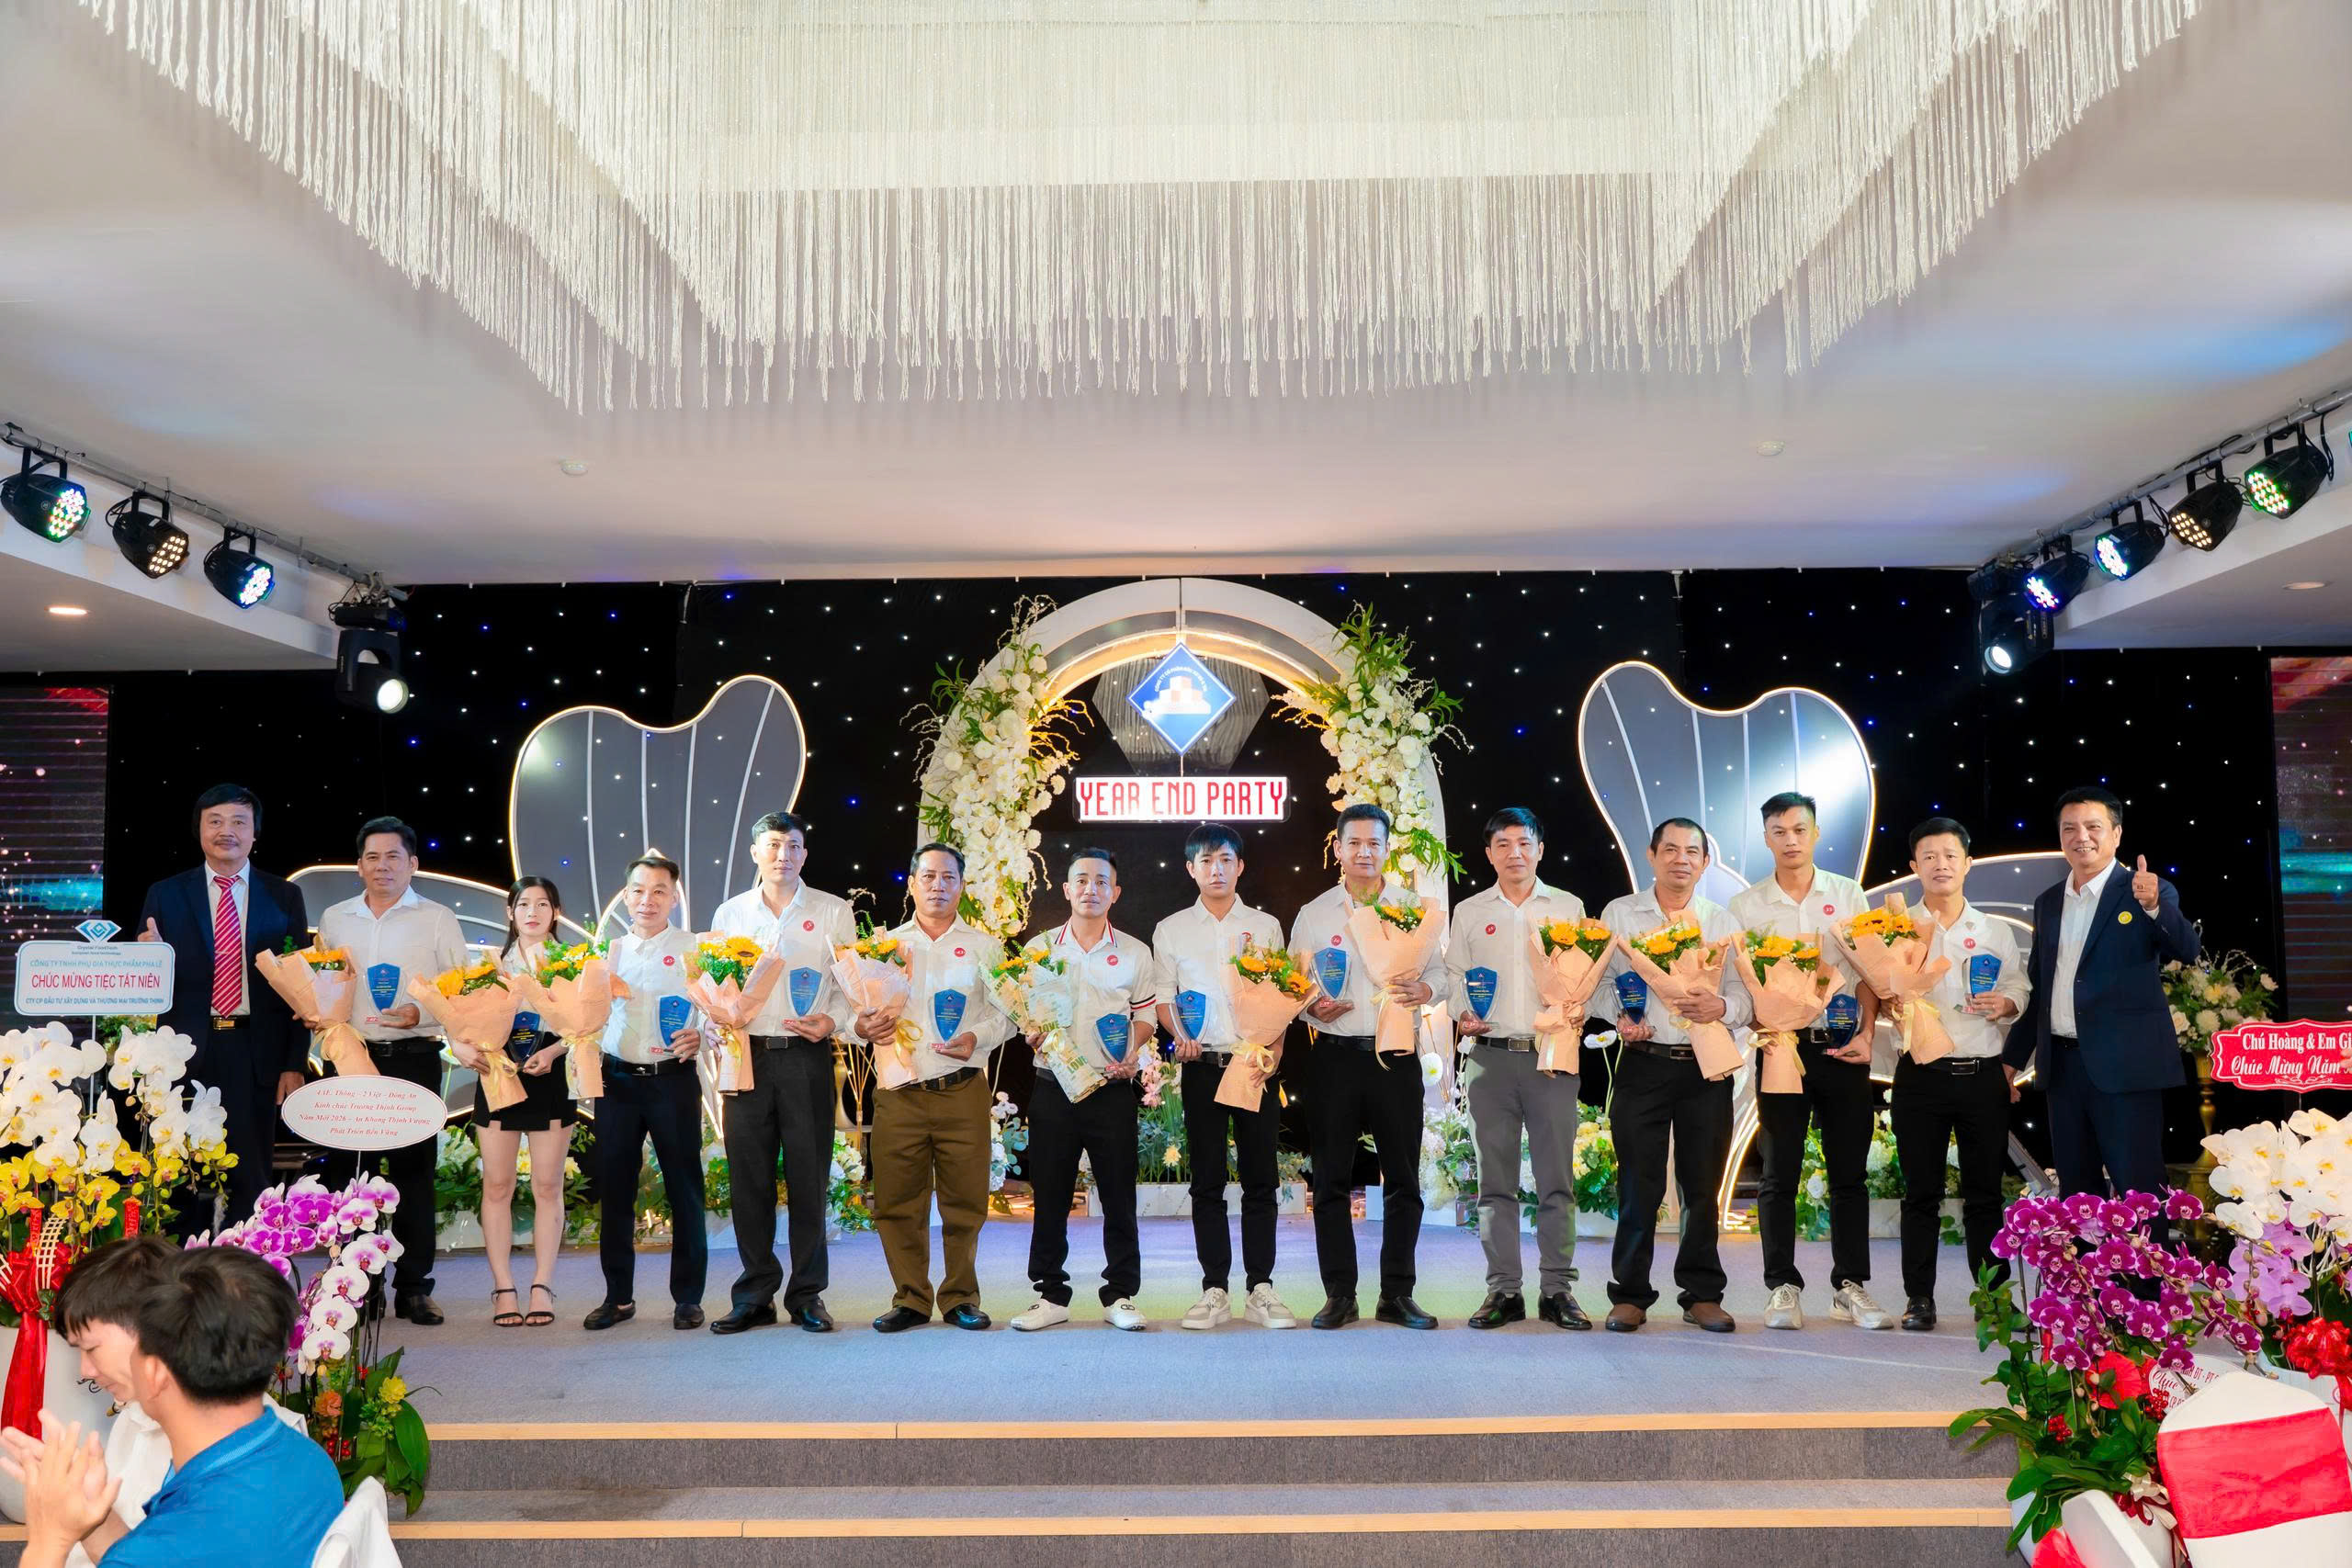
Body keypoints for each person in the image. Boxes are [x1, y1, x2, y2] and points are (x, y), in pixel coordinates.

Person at [4, 1246, 342, 1568]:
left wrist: (50, 1538)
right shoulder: (312, 1463)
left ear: (154, 1371)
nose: (87, 1369)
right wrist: (89, 1513)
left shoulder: (169, 1545)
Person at [1726, 791, 1891, 1333]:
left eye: (1800, 830)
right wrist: (1761, 1021)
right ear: (1766, 838)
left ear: (1816, 834)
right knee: (1778, 1174)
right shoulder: (1747, 906)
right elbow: (1741, 985)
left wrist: (1867, 1033)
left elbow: (1870, 973)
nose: (1790, 840)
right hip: (1781, 1049)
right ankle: (1782, 1286)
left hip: (1842, 1049)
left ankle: (1850, 1286)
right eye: (1779, 831)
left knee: (1849, 1174)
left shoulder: (1847, 895)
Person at [1289, 803, 1442, 1331]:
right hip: (1334, 1056)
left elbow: (1443, 974)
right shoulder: (1314, 913)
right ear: (1337, 848)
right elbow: (1291, 984)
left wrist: (1427, 989)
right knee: (1331, 1180)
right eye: (1353, 843)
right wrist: (1311, 1006)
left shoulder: (1413, 909)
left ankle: (1397, 1294)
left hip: (1395, 1055)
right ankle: (1340, 1295)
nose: (1364, 852)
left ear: (1387, 849)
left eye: (1374, 843)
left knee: (1403, 1179)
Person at [2005, 786, 2197, 1201]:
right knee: (2077, 1194)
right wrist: (2010, 1061)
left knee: (2139, 1189)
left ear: (2117, 834)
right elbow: (2041, 987)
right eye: (2069, 828)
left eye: (2093, 827)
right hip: (2062, 1069)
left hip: (2126, 1066)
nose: (2082, 837)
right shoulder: (2048, 902)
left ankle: (2145, 1250)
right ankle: (2086, 1248)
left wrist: (2154, 907)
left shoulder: (2145, 890)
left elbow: (2187, 950)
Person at [1598, 818, 1752, 1334]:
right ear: (1652, 855)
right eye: (1670, 849)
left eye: (1691, 851)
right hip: (1643, 1063)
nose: (1680, 859)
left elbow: (1747, 996)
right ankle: (1630, 1295)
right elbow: (1597, 986)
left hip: (1705, 1066)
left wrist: (1722, 1007)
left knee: (1702, 1186)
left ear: (1705, 862)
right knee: (1638, 1184)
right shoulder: (1621, 914)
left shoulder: (1721, 920)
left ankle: (1702, 1294)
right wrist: (1620, 1018)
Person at [706, 811, 855, 1336]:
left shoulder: (833, 911)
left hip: (804, 1056)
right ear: (755, 853)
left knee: (809, 1178)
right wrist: (713, 1020)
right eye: (772, 845)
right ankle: (755, 1294)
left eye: (792, 846)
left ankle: (808, 1294)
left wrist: (832, 1021)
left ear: (804, 854)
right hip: (745, 1055)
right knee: (749, 1179)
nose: (783, 855)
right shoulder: (730, 914)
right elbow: (712, 982)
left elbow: (851, 985)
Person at [312, 816, 466, 1325]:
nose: (383, 866)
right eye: (372, 857)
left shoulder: (438, 919)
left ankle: (414, 1287)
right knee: (351, 1174)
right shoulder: (335, 918)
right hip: (351, 1057)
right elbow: (321, 981)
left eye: (393, 856)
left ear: (413, 863)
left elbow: (462, 989)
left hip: (413, 1058)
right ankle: (359, 1286)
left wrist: (421, 1013)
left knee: (413, 1174)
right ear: (359, 865)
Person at [135, 784, 309, 1228]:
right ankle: (183, 1266)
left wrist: (294, 1062)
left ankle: (248, 1266)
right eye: (214, 821)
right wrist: (146, 957)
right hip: (183, 1052)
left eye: (238, 822)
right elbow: (148, 978)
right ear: (199, 830)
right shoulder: (166, 894)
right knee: (181, 1174)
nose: (225, 831)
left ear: (254, 833)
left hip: (256, 1051)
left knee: (252, 1176)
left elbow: (300, 988)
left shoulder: (284, 896)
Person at [1446, 807, 1592, 1331]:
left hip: (1552, 1057)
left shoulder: (1568, 908)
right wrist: (1461, 1010)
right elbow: (1454, 977)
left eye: (1524, 843)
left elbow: (1587, 975)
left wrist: (1578, 1007)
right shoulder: (1469, 912)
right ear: (1489, 854)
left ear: (1540, 849)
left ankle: (1557, 1289)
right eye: (1503, 844)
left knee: (1556, 1181)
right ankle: (1503, 1290)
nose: (1515, 853)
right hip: (1489, 1058)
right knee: (1494, 1184)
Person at [857, 843, 1012, 1333]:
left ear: (962, 886)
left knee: (965, 1200)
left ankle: (961, 1296)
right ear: (912, 883)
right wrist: (860, 1027)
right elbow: (851, 1014)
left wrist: (977, 1038)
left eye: (948, 877)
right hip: (898, 1091)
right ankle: (910, 1298)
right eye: (928, 876)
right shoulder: (882, 948)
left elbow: (1008, 1015)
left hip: (962, 1090)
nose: (938, 886)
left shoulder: (986, 947)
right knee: (896, 1202)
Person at [1150, 823, 1295, 1330]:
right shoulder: (1171, 929)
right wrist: (1180, 1035)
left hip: (1252, 1065)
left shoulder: (1265, 926)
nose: (1217, 869)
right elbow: (1164, 999)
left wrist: (1275, 1048)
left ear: (1240, 866)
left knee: (1261, 1180)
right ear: (1190, 869)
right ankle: (1214, 1288)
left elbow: (1283, 993)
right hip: (1203, 1067)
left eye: (1226, 860)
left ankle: (1261, 1288)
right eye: (1206, 861)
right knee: (1207, 1181)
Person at [1012, 849, 1157, 1333]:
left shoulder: (1135, 952)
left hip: (1110, 1087)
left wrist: (1131, 1051)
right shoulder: (1039, 949)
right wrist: (1030, 1032)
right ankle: (1050, 1295)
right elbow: (1024, 1012)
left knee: (1118, 1196)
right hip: (1053, 1086)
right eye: (1081, 880)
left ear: (1115, 893)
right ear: (1066, 889)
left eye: (1101, 882)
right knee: (1050, 1194)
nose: (1090, 889)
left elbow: (1146, 1015)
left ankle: (1121, 1294)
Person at [1894, 818, 2029, 1331]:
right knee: (1920, 1194)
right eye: (1929, 856)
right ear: (1914, 866)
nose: (1941, 865)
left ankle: (1993, 1299)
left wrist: (2008, 1003)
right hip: (1920, 1075)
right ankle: (1919, 1299)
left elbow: (2020, 987)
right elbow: (1878, 987)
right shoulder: (1894, 929)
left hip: (1982, 1075)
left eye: (1950, 855)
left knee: (1985, 1195)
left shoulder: (1994, 930)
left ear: (1968, 863)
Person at [584, 852, 709, 1331]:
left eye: (659, 891)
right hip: (616, 1082)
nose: (647, 900)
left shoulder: (696, 949)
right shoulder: (606, 952)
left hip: (672, 1079)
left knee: (685, 1188)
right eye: (638, 890)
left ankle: (688, 1298)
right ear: (625, 896)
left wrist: (702, 1034)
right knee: (616, 1190)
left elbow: (720, 1011)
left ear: (674, 898)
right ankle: (618, 1297)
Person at [462, 877, 576, 1329]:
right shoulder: (486, 966)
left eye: (543, 904)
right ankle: (504, 1287)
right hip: (498, 1075)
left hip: (551, 1076)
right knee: (497, 1186)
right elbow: (460, 1023)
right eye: (523, 904)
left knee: (548, 1186)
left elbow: (589, 1025)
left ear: (555, 912)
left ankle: (542, 1285)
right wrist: (465, 1047)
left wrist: (555, 1051)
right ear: (510, 912)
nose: (533, 912)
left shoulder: (573, 963)